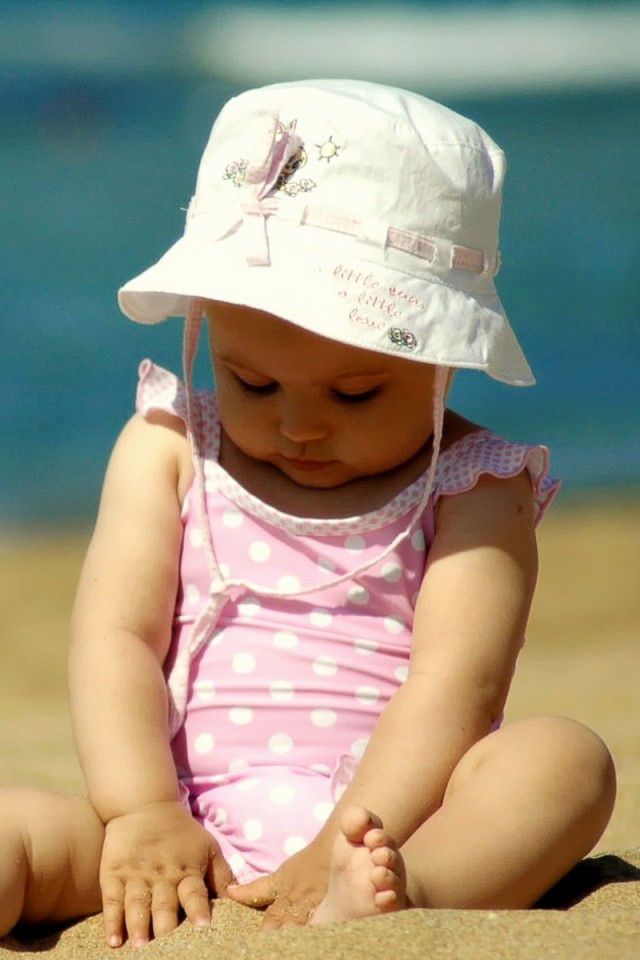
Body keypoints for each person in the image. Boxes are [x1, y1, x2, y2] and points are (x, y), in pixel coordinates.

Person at [0, 79, 615, 948]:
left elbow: (458, 688)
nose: (299, 425)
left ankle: (410, 893)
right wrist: (140, 810)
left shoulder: (475, 486)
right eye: (252, 382)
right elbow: (116, 638)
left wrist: (344, 841)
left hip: (395, 826)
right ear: (205, 324)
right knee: (11, 824)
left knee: (565, 762)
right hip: (182, 825)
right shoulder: (169, 447)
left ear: (446, 359)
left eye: (356, 394)